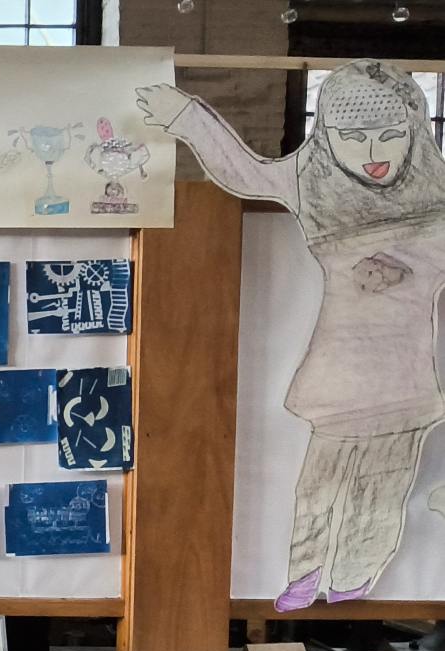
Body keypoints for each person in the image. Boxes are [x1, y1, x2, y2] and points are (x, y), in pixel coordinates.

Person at [140, 60, 445, 610]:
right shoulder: (313, 180)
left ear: (415, 132)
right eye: (352, 138)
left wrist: (409, 269)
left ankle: (355, 575)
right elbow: (246, 172)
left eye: (391, 135)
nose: (373, 152)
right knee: (321, 481)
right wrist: (187, 118)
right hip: (341, 367)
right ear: (327, 136)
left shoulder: (438, 191)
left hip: (408, 374)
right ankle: (305, 569)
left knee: (386, 485)